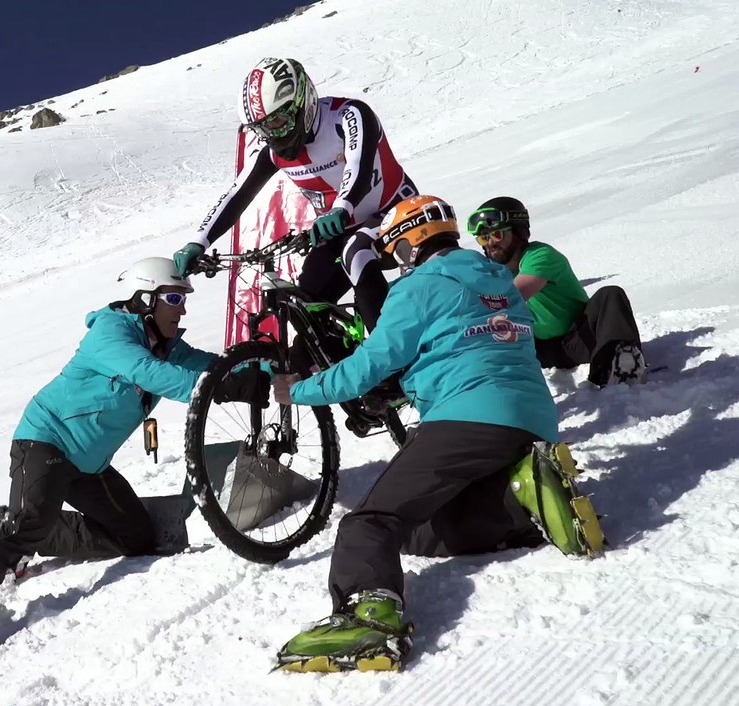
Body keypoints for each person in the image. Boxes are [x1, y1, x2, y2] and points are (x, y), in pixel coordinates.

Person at [267, 195, 566, 673]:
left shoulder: (417, 287)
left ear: (409, 245)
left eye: (395, 251)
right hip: (532, 420)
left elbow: (368, 365)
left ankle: (370, 614)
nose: (396, 261)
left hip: (466, 417)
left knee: (371, 520)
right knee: (429, 529)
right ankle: (520, 504)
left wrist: (298, 391)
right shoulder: (498, 278)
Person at [0, 257, 268, 648]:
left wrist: (259, 372)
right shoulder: (111, 334)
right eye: (173, 297)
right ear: (145, 297)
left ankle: (44, 534)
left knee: (136, 537)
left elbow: (208, 366)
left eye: (182, 298)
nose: (182, 307)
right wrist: (224, 389)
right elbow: (152, 375)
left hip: (89, 464)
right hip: (45, 441)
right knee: (25, 524)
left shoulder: (166, 346)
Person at [173, 56, 419, 333]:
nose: (273, 136)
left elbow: (358, 164)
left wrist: (341, 207)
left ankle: (389, 356)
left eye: (277, 121)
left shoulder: (349, 115)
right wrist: (198, 242)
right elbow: (236, 195)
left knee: (357, 253)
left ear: (304, 102)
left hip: (398, 210)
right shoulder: (270, 152)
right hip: (342, 227)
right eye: (262, 129)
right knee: (306, 302)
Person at [470, 196, 646, 386]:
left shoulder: (539, 255)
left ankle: (621, 360)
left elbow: (515, 295)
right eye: (483, 238)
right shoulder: (493, 272)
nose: (490, 243)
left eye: (497, 235)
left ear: (517, 231)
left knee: (610, 295)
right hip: (540, 349)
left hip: (581, 338)